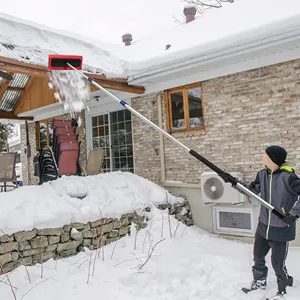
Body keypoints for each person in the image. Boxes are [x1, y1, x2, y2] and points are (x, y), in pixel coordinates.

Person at [242, 145, 300, 298]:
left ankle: (284, 287)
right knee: (258, 256)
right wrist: (235, 183)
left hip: (281, 227)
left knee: (277, 263)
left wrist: (293, 214)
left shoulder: (289, 178)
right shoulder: (262, 174)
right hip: (263, 226)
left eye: (265, 155)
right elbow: (252, 190)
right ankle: (259, 281)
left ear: (273, 159)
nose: (262, 156)